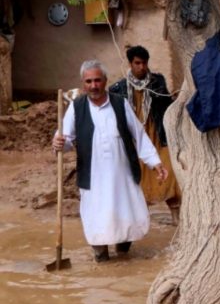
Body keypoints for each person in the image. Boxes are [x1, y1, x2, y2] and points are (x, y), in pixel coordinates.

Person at [52, 60, 168, 262]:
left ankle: (123, 254)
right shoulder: (76, 108)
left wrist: (155, 162)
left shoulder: (120, 103)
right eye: (89, 81)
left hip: (122, 174)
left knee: (125, 216)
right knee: (97, 217)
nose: (94, 85)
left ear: (105, 81)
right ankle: (101, 257)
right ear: (83, 84)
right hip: (93, 175)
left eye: (97, 80)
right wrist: (59, 143)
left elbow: (139, 135)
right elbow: (66, 140)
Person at [109, 45, 181, 225]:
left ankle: (175, 217)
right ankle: (140, 220)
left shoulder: (157, 82)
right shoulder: (118, 88)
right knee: (137, 177)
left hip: (157, 134)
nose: (142, 67)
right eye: (137, 63)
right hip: (134, 139)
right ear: (130, 64)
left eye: (144, 63)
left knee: (168, 171)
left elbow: (165, 105)